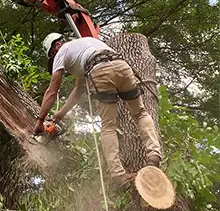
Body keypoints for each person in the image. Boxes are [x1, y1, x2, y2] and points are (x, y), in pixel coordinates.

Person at [33, 33, 162, 187]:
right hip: (122, 66)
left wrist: (40, 120)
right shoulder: (84, 46)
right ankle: (154, 155)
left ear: (56, 46)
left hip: (100, 71)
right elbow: (78, 91)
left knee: (108, 126)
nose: (54, 59)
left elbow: (52, 90)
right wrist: (59, 115)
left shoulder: (62, 51)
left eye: (52, 55)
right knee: (140, 112)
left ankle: (119, 176)